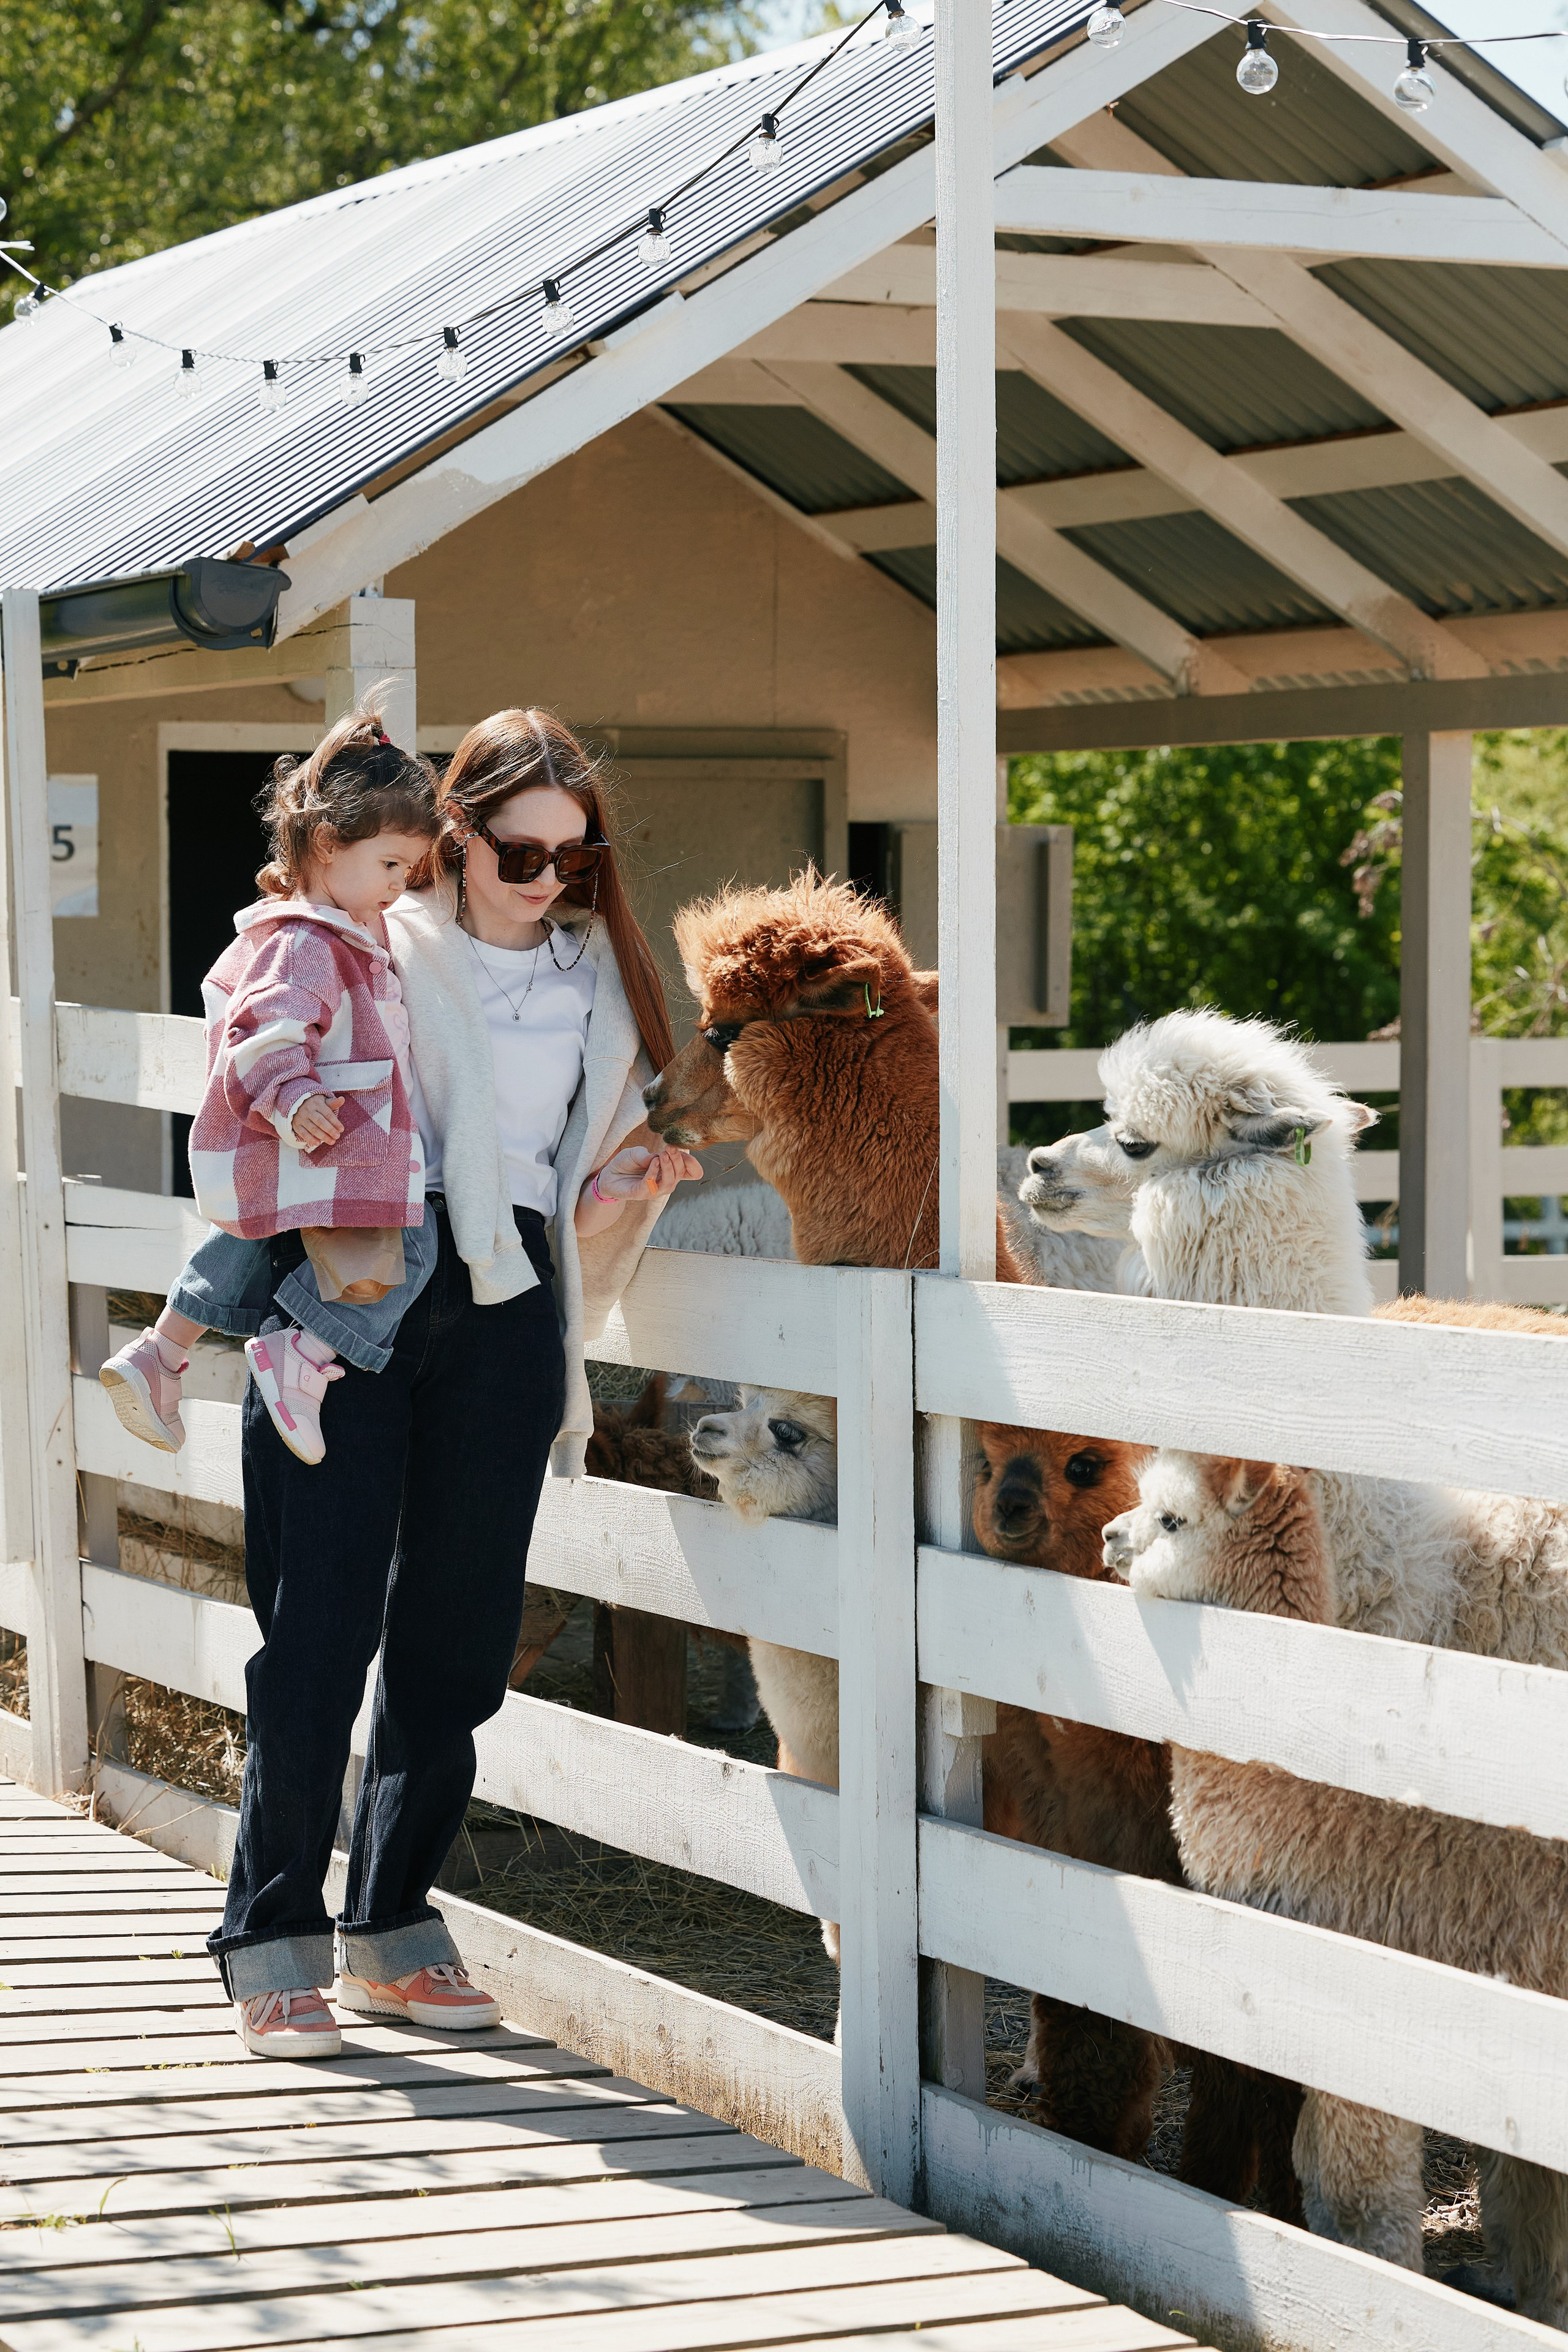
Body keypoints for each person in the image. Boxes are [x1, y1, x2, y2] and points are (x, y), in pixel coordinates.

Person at [209, 707, 703, 2057]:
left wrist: (624, 1177)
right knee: (315, 1629)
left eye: (573, 856)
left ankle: (394, 1927)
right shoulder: (370, 935)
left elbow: (567, 1161)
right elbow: (253, 1020)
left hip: (510, 1308)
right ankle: (270, 1936)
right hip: (362, 1283)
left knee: (460, 1635)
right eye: (519, 851)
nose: (548, 880)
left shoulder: (598, 975)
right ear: (454, 836)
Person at [99, 711, 441, 1468]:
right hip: (331, 1133)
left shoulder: (315, 929)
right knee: (411, 1247)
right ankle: (304, 1349)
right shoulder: (307, 941)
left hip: (315, 1135)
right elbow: (269, 1031)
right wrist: (290, 1096)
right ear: (327, 845)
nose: (400, 886)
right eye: (390, 865)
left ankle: (163, 1352)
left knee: (249, 1241)